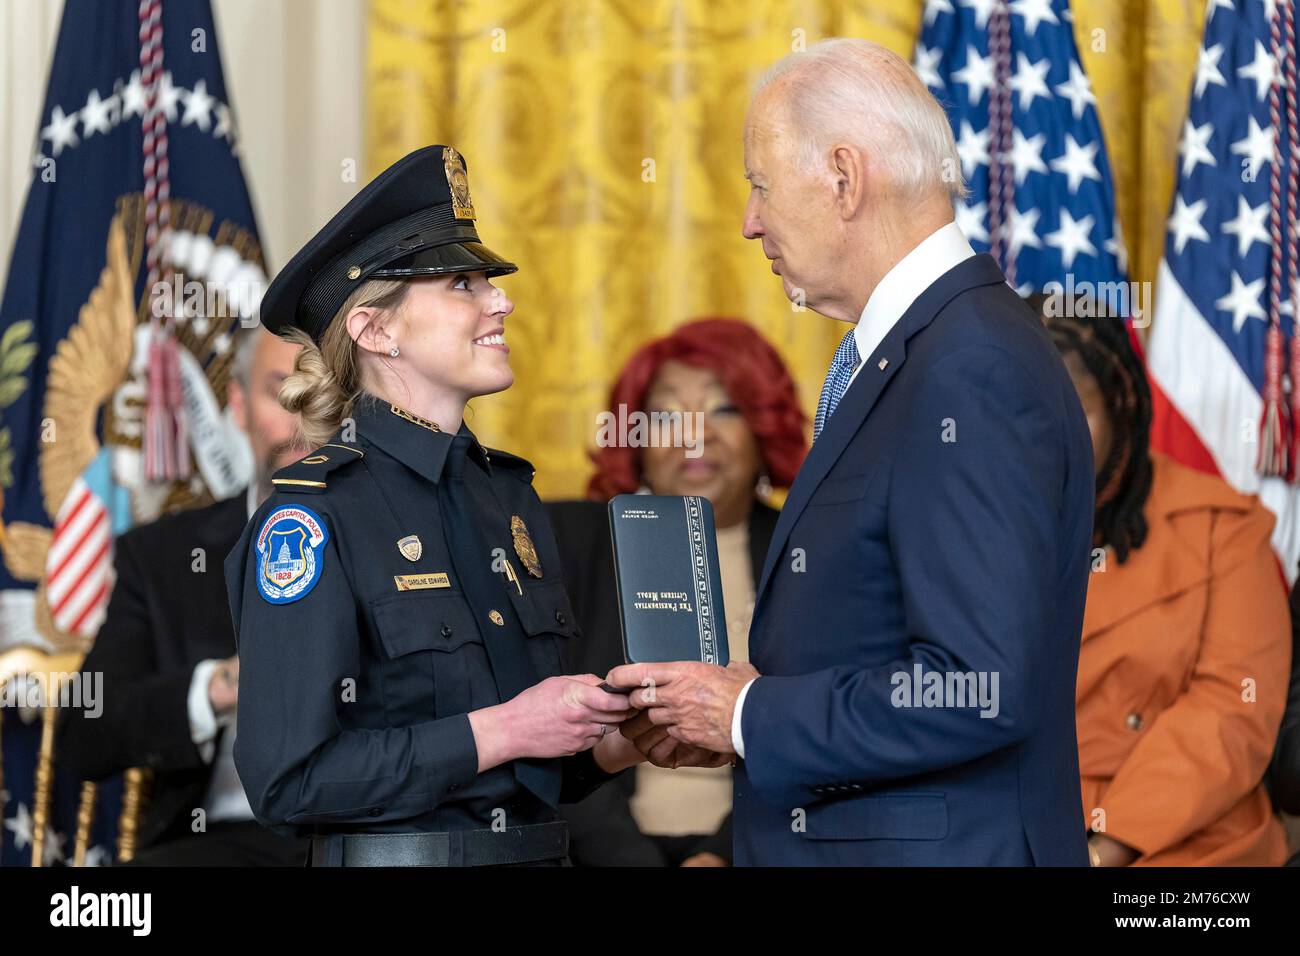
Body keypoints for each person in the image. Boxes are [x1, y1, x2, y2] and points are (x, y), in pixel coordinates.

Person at [610, 38, 1095, 866]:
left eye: (760, 184)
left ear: (844, 177)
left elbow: (975, 686)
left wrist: (745, 714)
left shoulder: (968, 365)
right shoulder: (930, 349)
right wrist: (743, 726)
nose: (749, 220)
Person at [225, 145, 647, 867]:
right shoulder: (312, 518)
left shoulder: (505, 494)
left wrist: (621, 739)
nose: (501, 301)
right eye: (463, 284)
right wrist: (507, 729)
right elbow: (289, 781)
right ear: (375, 330)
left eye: (490, 282)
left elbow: (536, 772)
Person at [1029, 292, 1292, 867]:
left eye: (1073, 410)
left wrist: (1107, 848)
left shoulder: (1223, 527)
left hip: (1191, 845)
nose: (1044, 440)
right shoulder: (962, 522)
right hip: (1013, 831)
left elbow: (1232, 708)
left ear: (1121, 404)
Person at [551, 317, 807, 866]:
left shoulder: (811, 552)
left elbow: (819, 730)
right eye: (666, 416)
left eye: (725, 409)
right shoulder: (569, 543)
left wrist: (720, 856)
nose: (696, 434)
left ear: (763, 430)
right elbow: (549, 737)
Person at [57, 328, 310, 865]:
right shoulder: (162, 556)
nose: (304, 423)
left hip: (374, 837)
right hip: (217, 843)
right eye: (283, 394)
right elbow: (88, 733)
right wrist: (219, 688)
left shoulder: (405, 537)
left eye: (324, 397)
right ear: (238, 405)